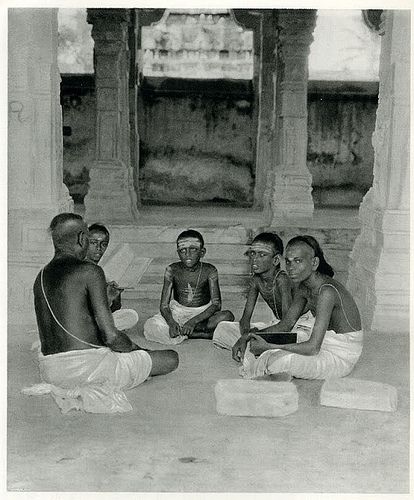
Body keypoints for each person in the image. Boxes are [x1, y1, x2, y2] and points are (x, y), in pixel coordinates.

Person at [25, 213, 178, 413]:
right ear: (81, 239)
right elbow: (112, 337)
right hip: (87, 369)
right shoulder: (90, 271)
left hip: (50, 370)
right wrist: (138, 350)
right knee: (171, 358)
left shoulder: (41, 275)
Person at [235, 235, 363, 380]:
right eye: (288, 262)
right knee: (261, 350)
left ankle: (274, 374)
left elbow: (313, 348)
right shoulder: (304, 287)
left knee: (277, 360)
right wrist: (247, 336)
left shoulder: (326, 291)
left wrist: (269, 346)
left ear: (314, 263)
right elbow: (285, 325)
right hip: (318, 342)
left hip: (339, 354)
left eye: (298, 261)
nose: (291, 268)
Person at [144, 229, 234, 344]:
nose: (188, 254)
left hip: (202, 314)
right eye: (183, 250)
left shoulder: (210, 270)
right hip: (178, 313)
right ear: (178, 252)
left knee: (227, 316)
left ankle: (184, 332)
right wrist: (171, 323)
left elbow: (216, 305)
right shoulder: (172, 270)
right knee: (150, 326)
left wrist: (193, 321)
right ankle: (201, 334)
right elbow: (164, 305)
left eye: (193, 249)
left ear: (202, 252)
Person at [213, 232, 293, 351]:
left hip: (292, 327)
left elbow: (287, 325)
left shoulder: (282, 279)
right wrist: (246, 335)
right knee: (222, 328)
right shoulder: (256, 280)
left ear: (275, 260)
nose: (255, 259)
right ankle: (253, 347)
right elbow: (245, 319)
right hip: (275, 325)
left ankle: (255, 348)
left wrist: (252, 336)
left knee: (278, 341)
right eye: (252, 253)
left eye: (262, 255)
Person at [86, 223, 138, 332]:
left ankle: (99, 331)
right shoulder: (79, 269)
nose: (98, 248)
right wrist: (107, 298)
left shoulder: (109, 268)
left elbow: (115, 308)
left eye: (103, 244)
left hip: (100, 320)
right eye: (93, 243)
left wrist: (114, 295)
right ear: (84, 243)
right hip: (82, 319)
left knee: (132, 316)